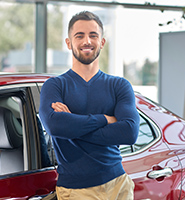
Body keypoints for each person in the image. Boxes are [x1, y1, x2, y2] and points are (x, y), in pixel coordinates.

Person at [39, 11, 139, 200]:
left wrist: (73, 129)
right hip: (77, 191)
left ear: (102, 42)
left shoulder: (119, 85)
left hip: (118, 185)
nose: (87, 41)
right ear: (69, 43)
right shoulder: (55, 86)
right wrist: (106, 119)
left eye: (93, 35)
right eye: (80, 36)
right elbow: (55, 126)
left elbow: (130, 132)